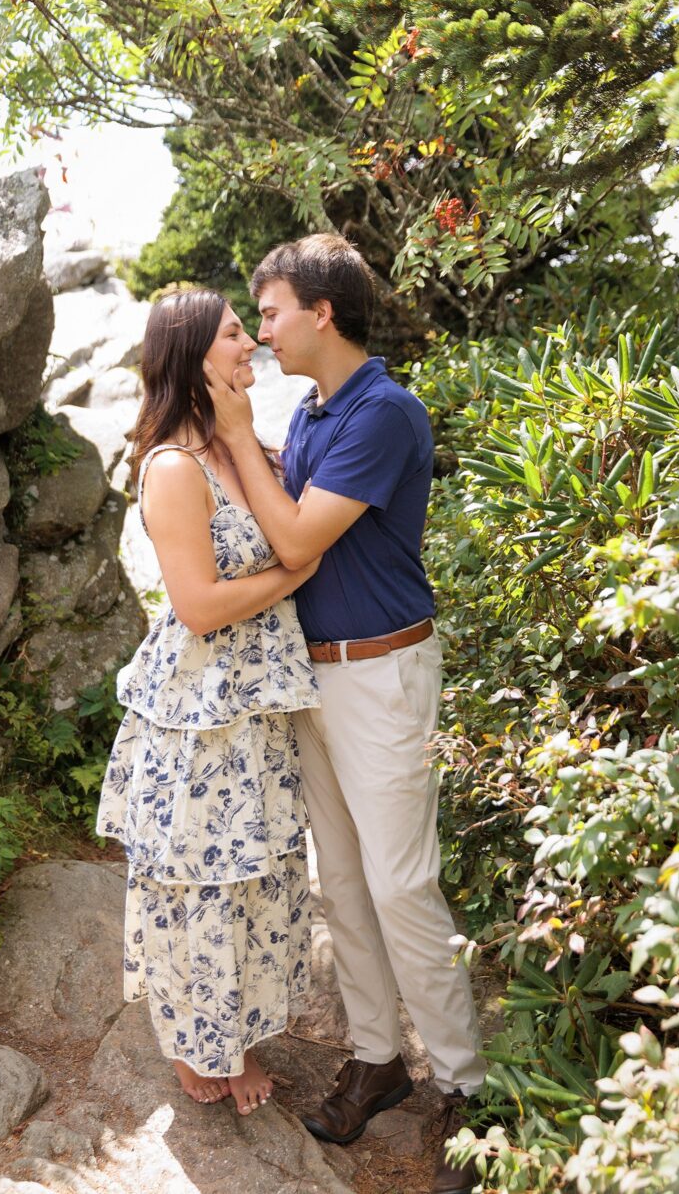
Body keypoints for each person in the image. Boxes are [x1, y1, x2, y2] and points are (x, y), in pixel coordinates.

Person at [203, 233, 483, 1193]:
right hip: (310, 676)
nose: (264, 331)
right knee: (344, 881)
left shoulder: (384, 413)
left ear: (324, 311)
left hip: (380, 673)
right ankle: (377, 1055)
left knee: (403, 883)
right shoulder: (319, 410)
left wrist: (240, 437)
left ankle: (464, 1087)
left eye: (270, 311)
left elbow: (299, 543)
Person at [98, 288, 322, 1115]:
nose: (250, 347)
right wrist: (292, 573)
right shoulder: (171, 468)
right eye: (234, 336)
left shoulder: (243, 447)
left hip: (256, 703)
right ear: (193, 356)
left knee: (254, 870)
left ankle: (237, 1031)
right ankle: (196, 1043)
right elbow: (196, 603)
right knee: (197, 877)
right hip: (198, 707)